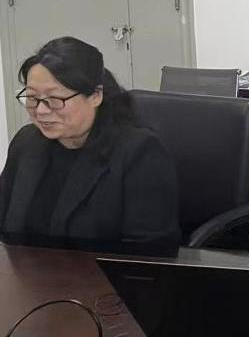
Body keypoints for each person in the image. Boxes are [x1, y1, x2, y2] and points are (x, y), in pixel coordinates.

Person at [0, 37, 180, 254]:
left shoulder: (139, 152)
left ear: (95, 96)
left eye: (54, 99)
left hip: (103, 275)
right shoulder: (26, 142)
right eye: (32, 98)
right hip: (27, 273)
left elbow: (151, 255)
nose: (40, 111)